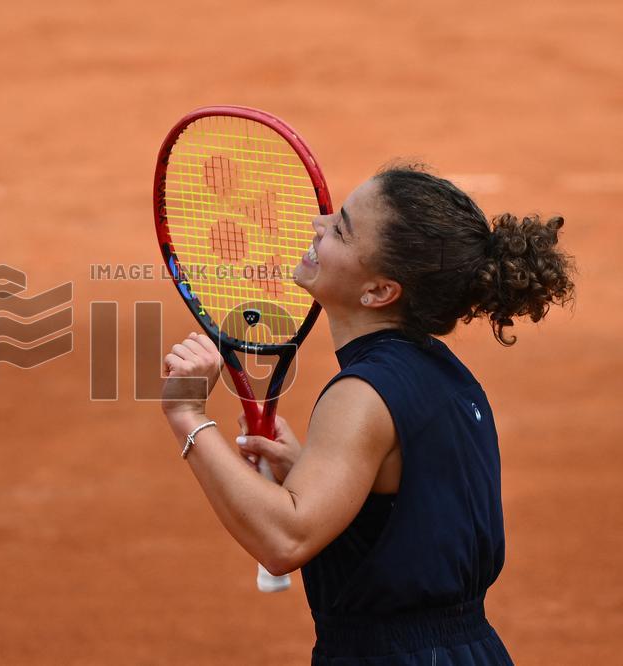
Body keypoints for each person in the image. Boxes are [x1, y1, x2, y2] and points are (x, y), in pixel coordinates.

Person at [160, 166, 575, 665]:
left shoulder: (361, 393)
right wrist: (306, 470)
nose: (318, 223)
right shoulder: (447, 376)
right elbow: (414, 516)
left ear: (379, 291)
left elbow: (284, 539)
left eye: (341, 229)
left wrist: (187, 414)